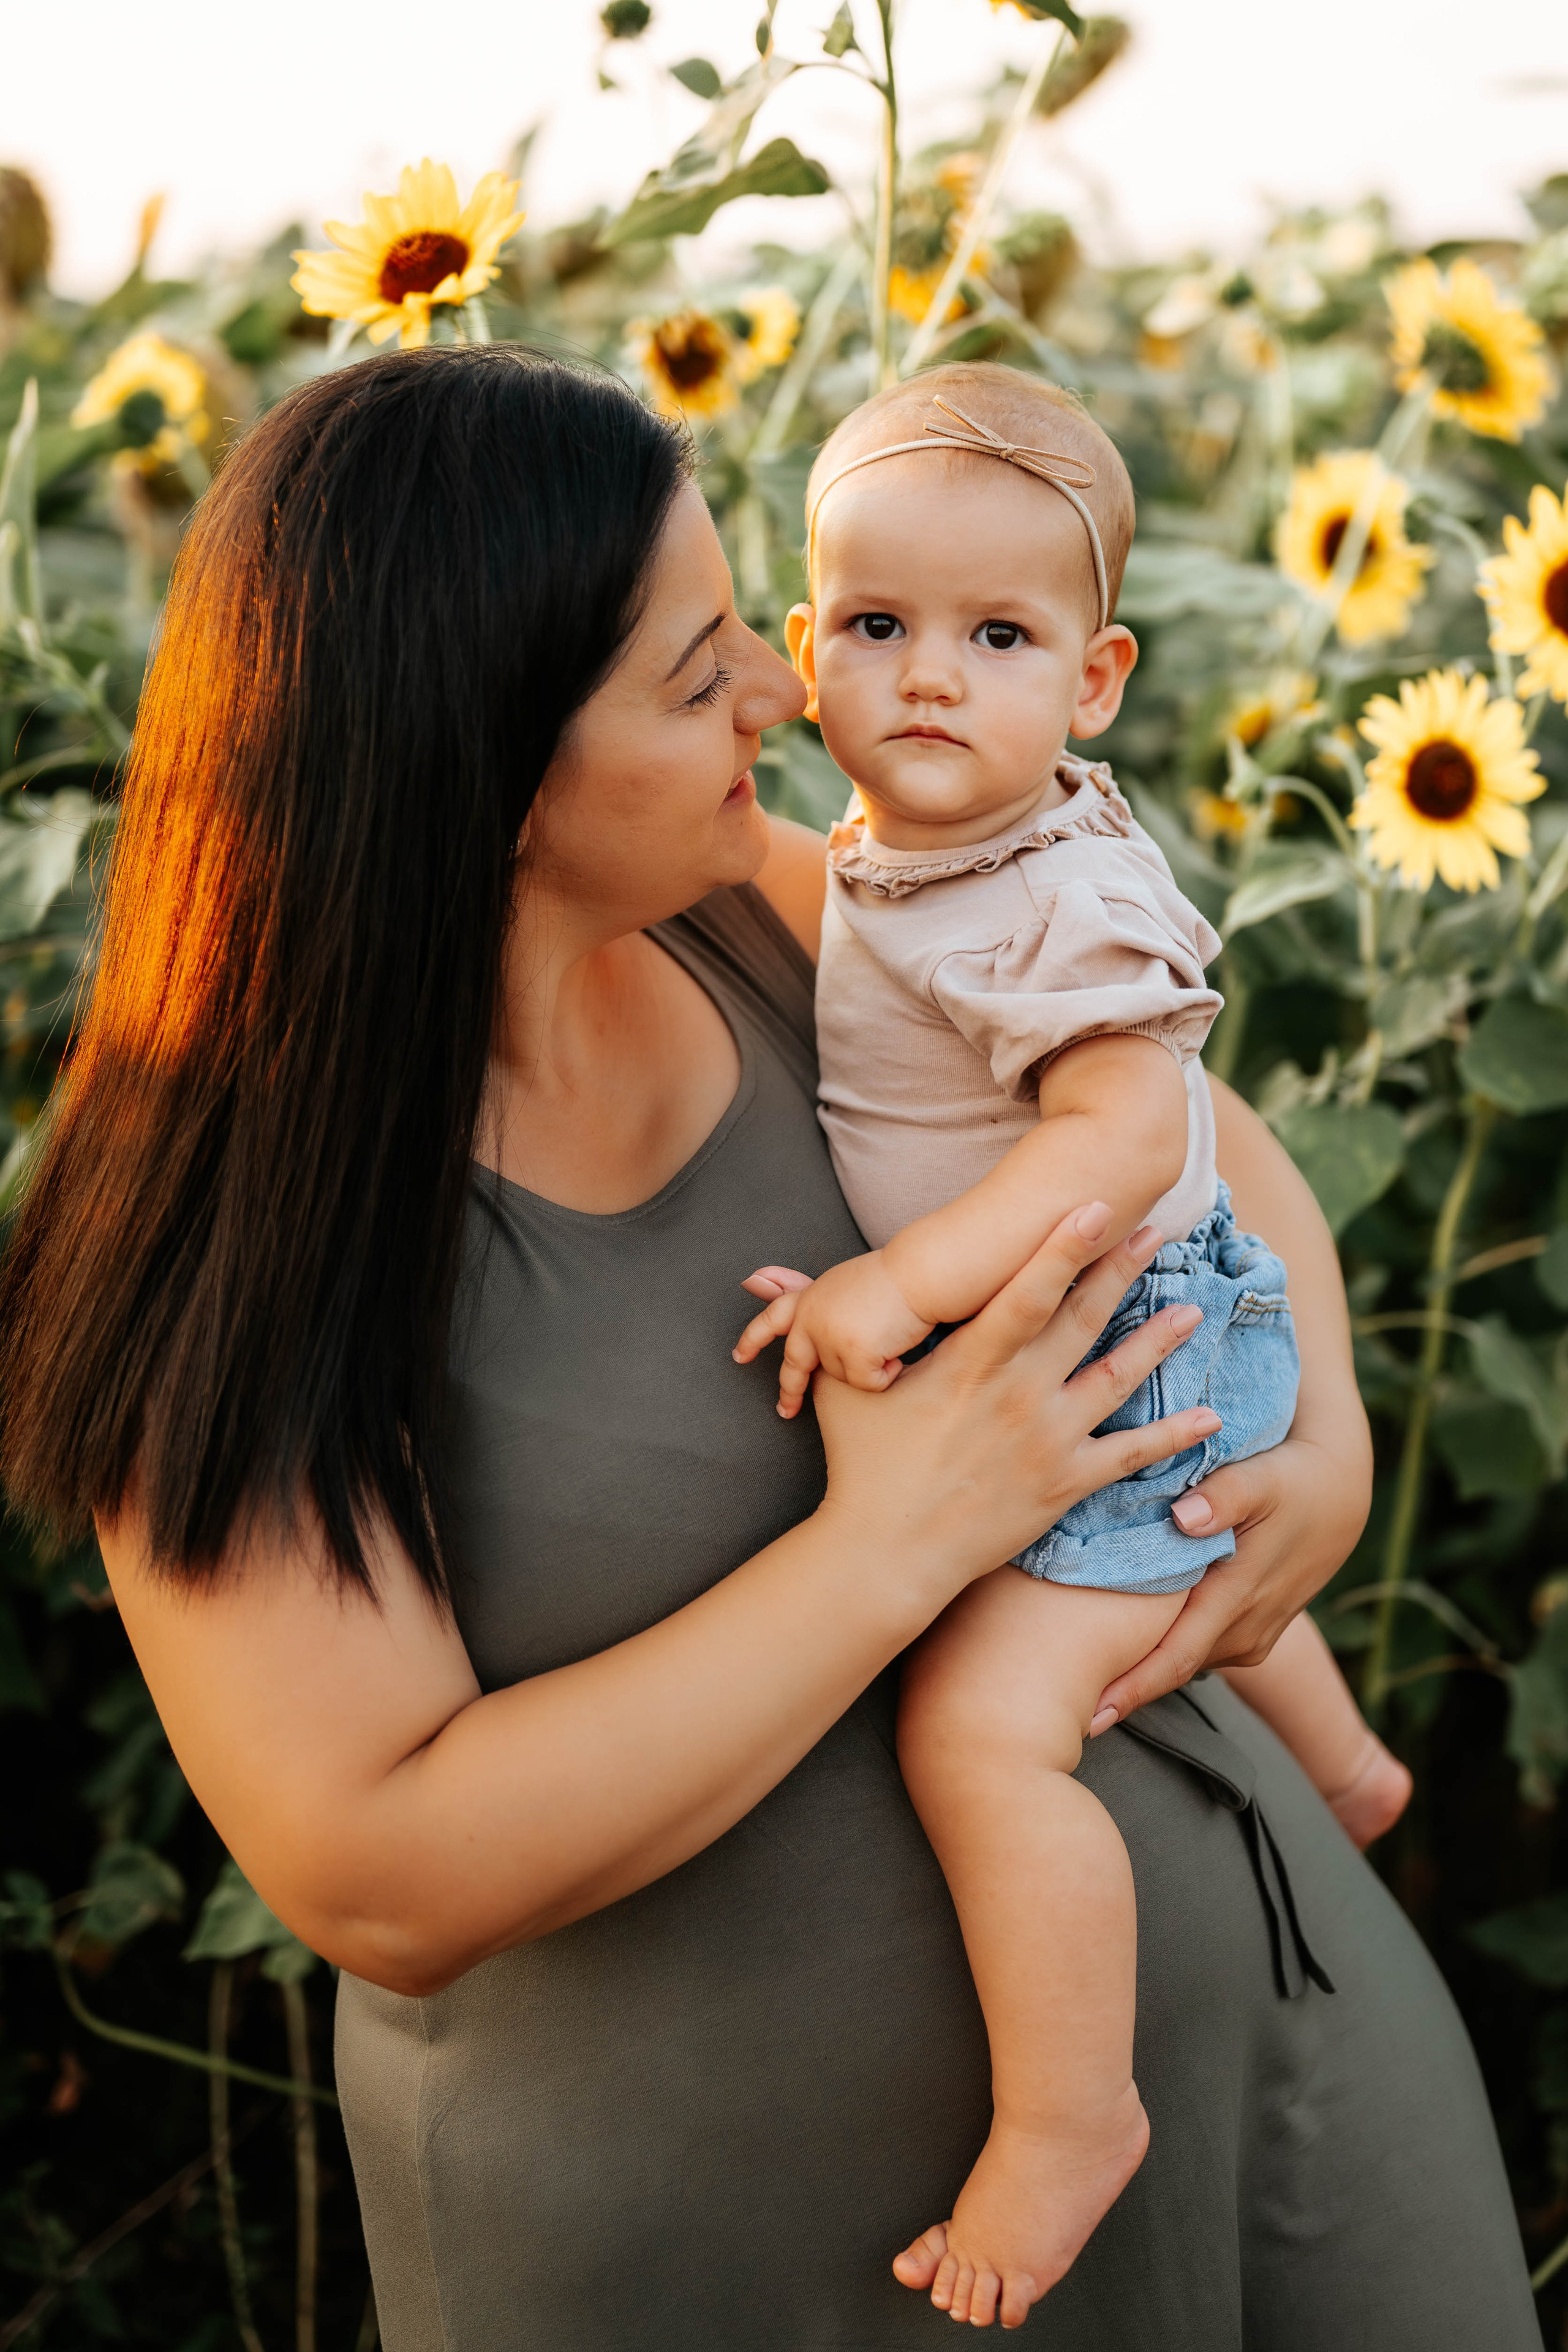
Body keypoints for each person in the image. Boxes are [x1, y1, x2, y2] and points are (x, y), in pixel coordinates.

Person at [0, 347, 1539, 2351]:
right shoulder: (222, 1220)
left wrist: (1317, 1440)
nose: (777, 691)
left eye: (750, 628)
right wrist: (888, 1547)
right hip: (748, 2258)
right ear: (476, 759)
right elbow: (374, 1864)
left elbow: (1191, 1133)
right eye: (689, 667)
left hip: (1275, 2068)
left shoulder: (785, 918)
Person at [734, 364, 1411, 2327]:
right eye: (878, 628)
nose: (931, 679)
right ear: (806, 650)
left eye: (1000, 638)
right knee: (1211, 1552)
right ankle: (1347, 1759)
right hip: (1164, 1337)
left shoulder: (1066, 897)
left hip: (1138, 1349)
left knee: (982, 1728)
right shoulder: (915, 848)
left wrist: (894, 1286)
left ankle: (1068, 2116)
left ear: (1096, 683)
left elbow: (1126, 1136)